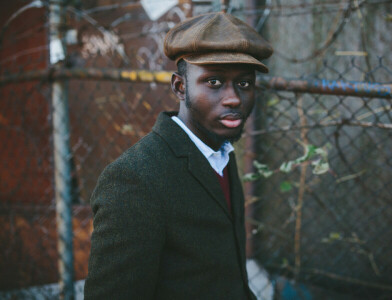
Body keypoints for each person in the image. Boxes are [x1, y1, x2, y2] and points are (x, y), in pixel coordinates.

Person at [84, 12, 272, 299]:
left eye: (244, 83)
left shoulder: (219, 152)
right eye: (214, 82)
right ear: (179, 87)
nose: (234, 98)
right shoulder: (134, 179)